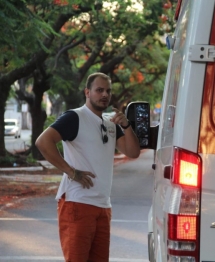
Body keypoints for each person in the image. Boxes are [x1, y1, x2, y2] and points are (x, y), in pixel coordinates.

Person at [35, 72, 140, 261]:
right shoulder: (75, 117)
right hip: (78, 203)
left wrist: (126, 125)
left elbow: (133, 152)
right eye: (99, 90)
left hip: (103, 206)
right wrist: (71, 171)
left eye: (108, 91)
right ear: (87, 92)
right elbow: (43, 142)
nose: (104, 95)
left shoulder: (111, 121)